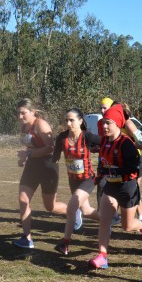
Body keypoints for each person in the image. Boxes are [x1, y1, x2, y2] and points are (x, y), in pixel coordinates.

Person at [88, 105, 142, 269]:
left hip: (127, 188)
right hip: (111, 187)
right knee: (104, 221)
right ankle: (102, 256)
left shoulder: (126, 143)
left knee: (127, 226)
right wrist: (101, 174)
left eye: (108, 123)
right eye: (103, 123)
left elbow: (135, 167)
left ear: (117, 123)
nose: (104, 126)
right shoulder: (104, 140)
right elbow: (104, 163)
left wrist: (117, 170)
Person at [13, 98, 68, 249]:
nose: (20, 117)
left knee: (50, 207)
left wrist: (28, 153)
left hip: (48, 165)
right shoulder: (23, 126)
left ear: (33, 112)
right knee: (23, 199)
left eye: (23, 113)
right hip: (32, 165)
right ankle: (27, 237)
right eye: (18, 113)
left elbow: (50, 148)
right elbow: (29, 147)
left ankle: (73, 211)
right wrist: (24, 158)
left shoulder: (41, 125)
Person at [51, 107, 101, 255]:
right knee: (85, 211)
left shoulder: (88, 137)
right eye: (66, 120)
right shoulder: (62, 138)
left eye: (72, 120)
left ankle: (65, 243)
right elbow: (54, 158)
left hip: (88, 179)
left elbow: (106, 143)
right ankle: (107, 220)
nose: (68, 123)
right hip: (73, 180)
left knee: (71, 208)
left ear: (80, 121)